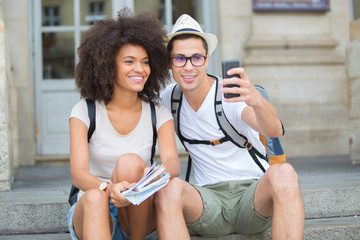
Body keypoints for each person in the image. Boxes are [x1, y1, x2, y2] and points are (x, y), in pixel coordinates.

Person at [155, 14, 304, 240]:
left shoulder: (229, 95)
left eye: (196, 58)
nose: (188, 67)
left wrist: (256, 101)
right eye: (179, 59)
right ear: (169, 62)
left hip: (252, 199)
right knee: (168, 188)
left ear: (206, 60)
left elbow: (273, 130)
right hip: (208, 204)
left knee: (284, 173)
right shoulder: (170, 99)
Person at [67, 9, 179, 240]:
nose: (140, 69)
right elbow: (78, 174)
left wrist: (148, 176)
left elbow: (173, 165)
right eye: (129, 61)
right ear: (108, 66)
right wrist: (108, 189)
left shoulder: (158, 113)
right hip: (95, 208)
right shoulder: (85, 111)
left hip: (139, 209)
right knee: (95, 196)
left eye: (145, 62)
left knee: (130, 163)